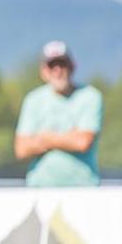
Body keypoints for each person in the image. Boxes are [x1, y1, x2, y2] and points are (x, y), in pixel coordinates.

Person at [14, 41, 103, 187]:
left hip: (83, 188)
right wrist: (69, 137)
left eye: (62, 64)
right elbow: (21, 149)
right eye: (52, 66)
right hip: (40, 188)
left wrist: (45, 138)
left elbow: (83, 142)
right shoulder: (33, 100)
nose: (58, 71)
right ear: (43, 71)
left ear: (72, 66)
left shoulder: (90, 96)